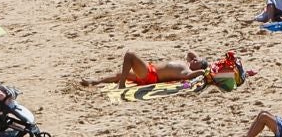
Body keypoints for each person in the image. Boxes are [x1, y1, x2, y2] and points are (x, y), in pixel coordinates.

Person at [77, 51, 210, 87]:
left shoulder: (188, 71)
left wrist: (203, 68)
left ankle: (121, 85)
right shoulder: (188, 63)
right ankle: (95, 82)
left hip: (150, 75)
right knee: (120, 74)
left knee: (130, 55)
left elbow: (190, 76)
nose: (193, 60)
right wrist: (199, 59)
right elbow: (189, 53)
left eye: (196, 61)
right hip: (149, 73)